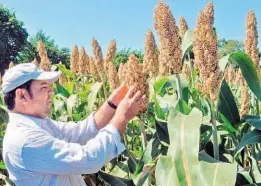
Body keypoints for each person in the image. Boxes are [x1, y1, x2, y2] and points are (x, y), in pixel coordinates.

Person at [1, 63, 146, 186]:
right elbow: (89, 159)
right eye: (44, 87)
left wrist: (112, 105)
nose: (51, 91)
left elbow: (80, 131)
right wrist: (122, 117)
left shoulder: (40, 124)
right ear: (22, 95)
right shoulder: (24, 140)